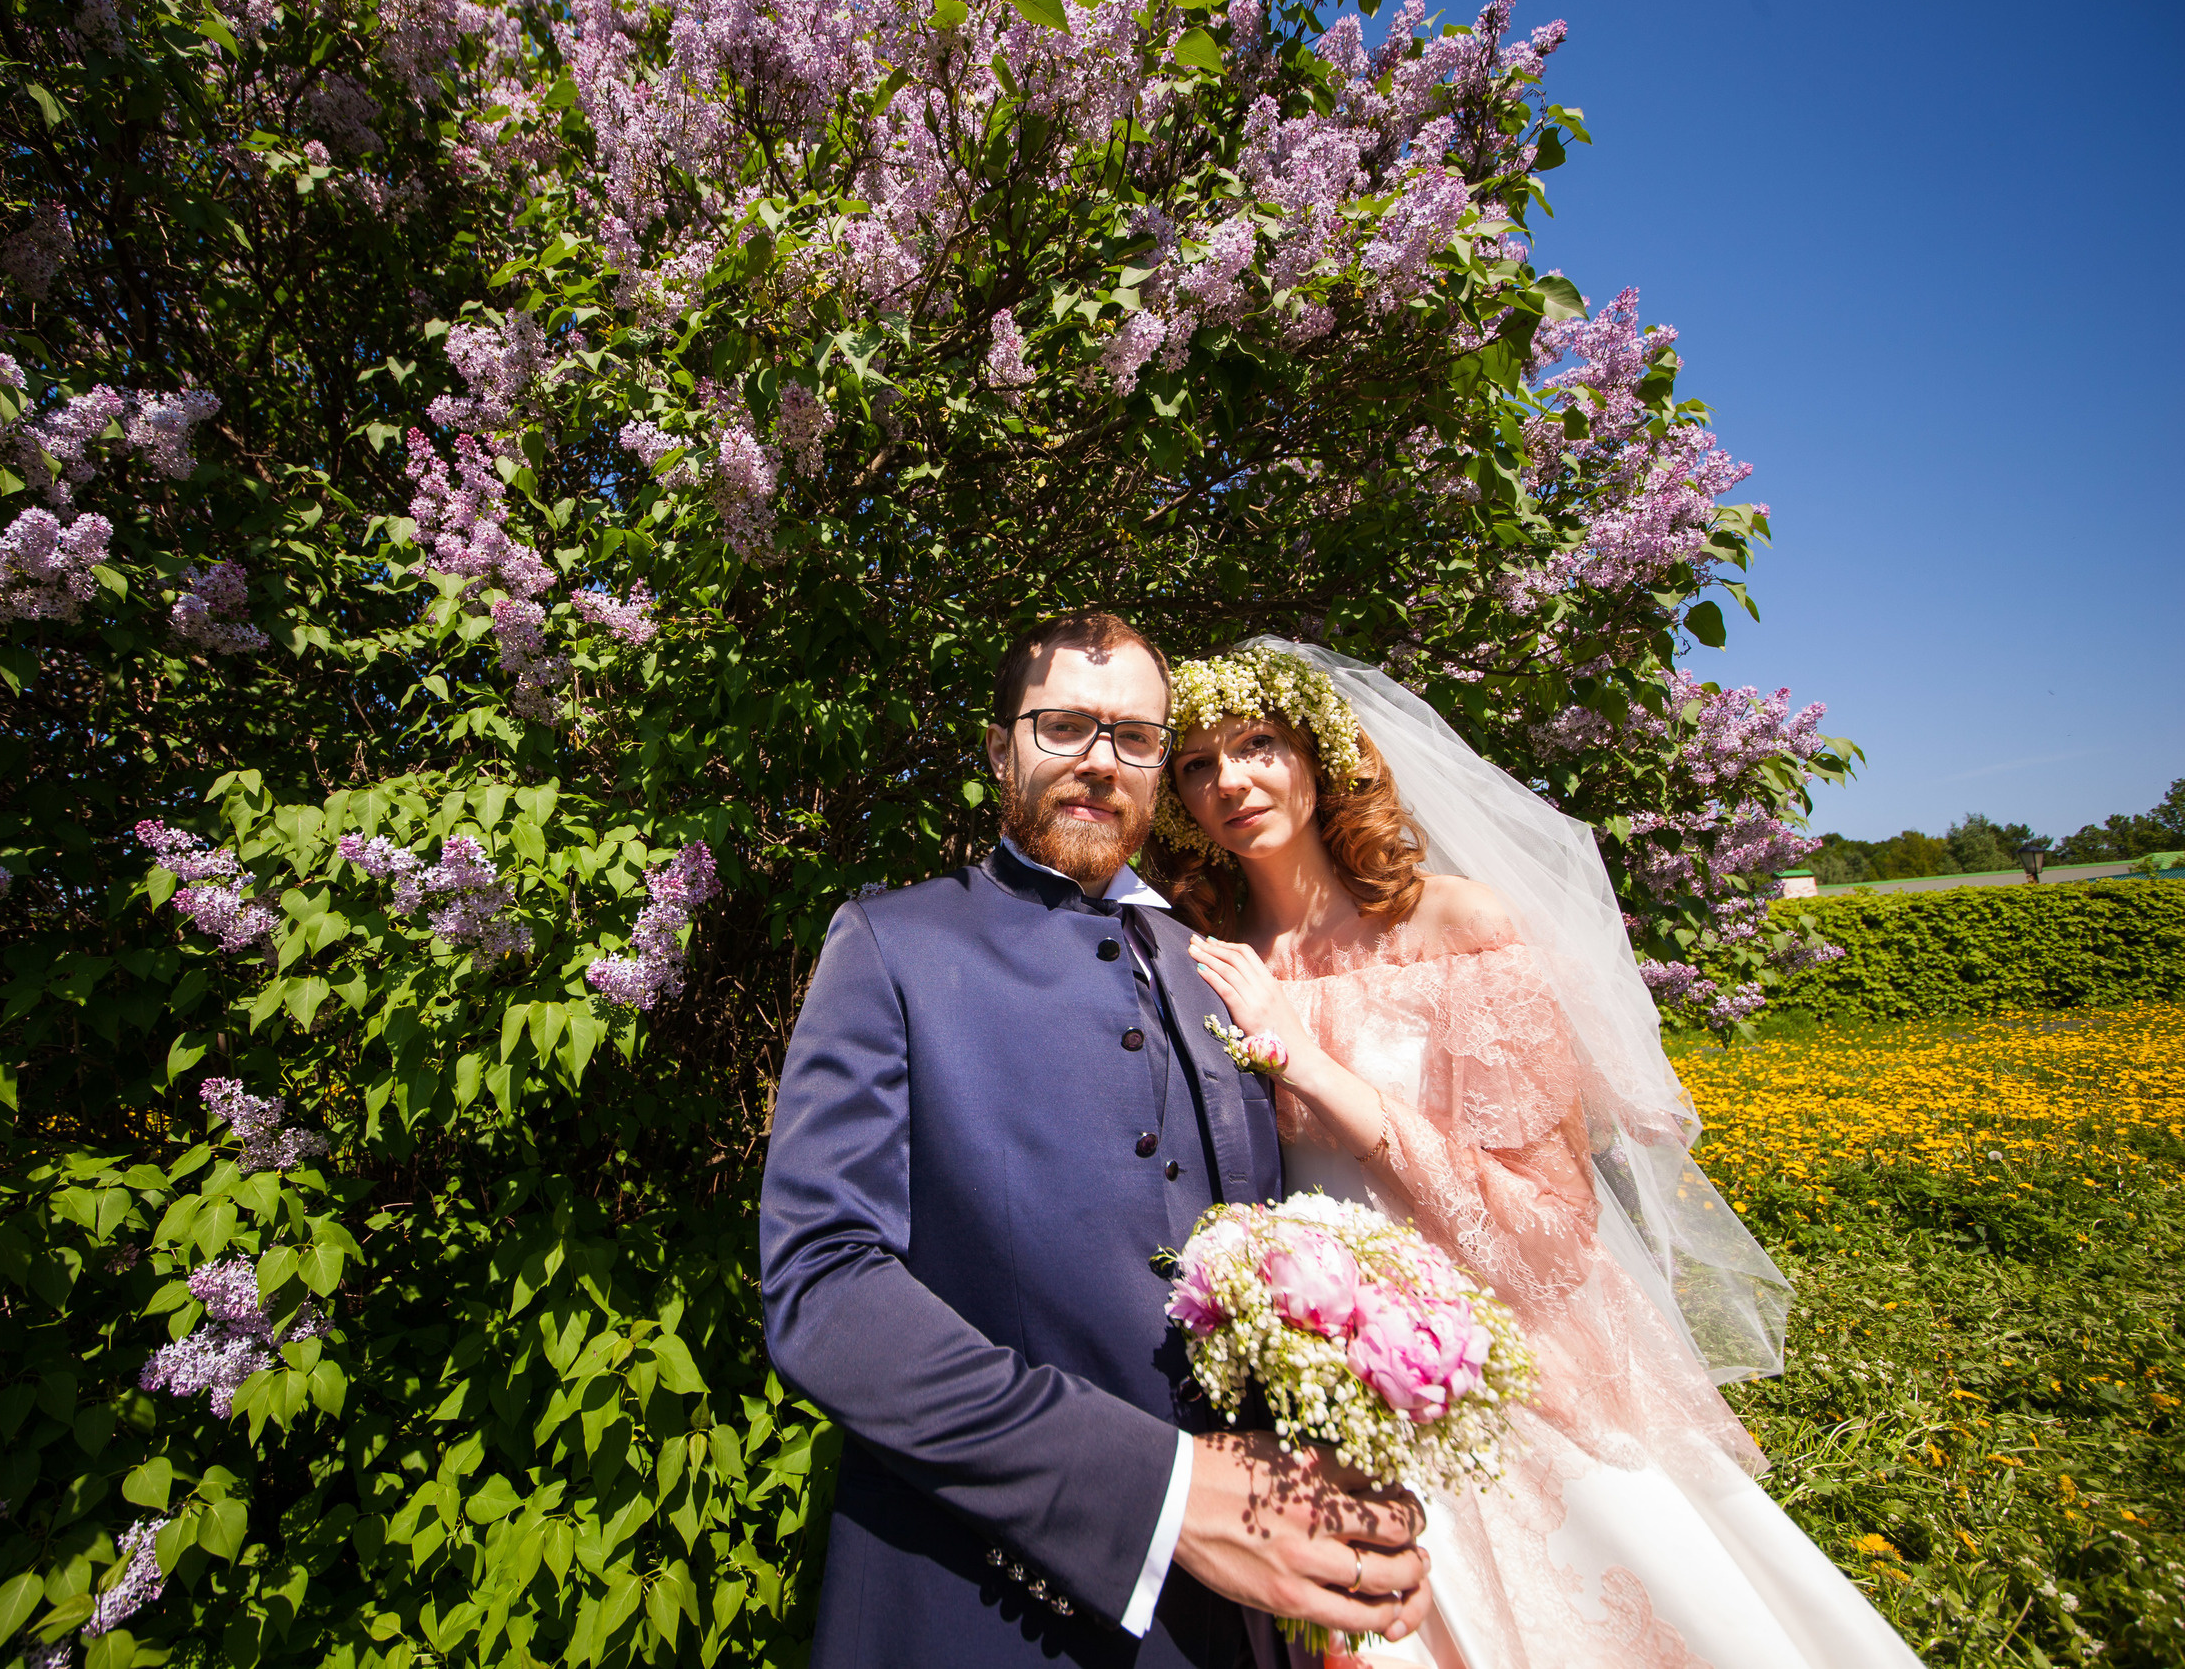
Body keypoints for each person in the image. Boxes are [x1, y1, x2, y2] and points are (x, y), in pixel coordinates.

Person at [1152, 638, 1926, 1669]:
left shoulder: (1459, 928)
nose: (1229, 782)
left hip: (1506, 1361)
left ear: (1320, 751)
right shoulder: (1206, 959)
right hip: (1313, 1383)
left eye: (1256, 744)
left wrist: (1313, 1068)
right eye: (1196, 764)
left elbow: (1554, 1225)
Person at [760, 613, 1435, 1668]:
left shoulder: (1212, 959)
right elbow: (824, 1289)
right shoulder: (889, 944)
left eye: (1132, 737)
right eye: (1063, 725)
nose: (1097, 761)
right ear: (999, 749)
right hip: (980, 1604)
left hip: (1246, 1619)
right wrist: (1160, 1497)